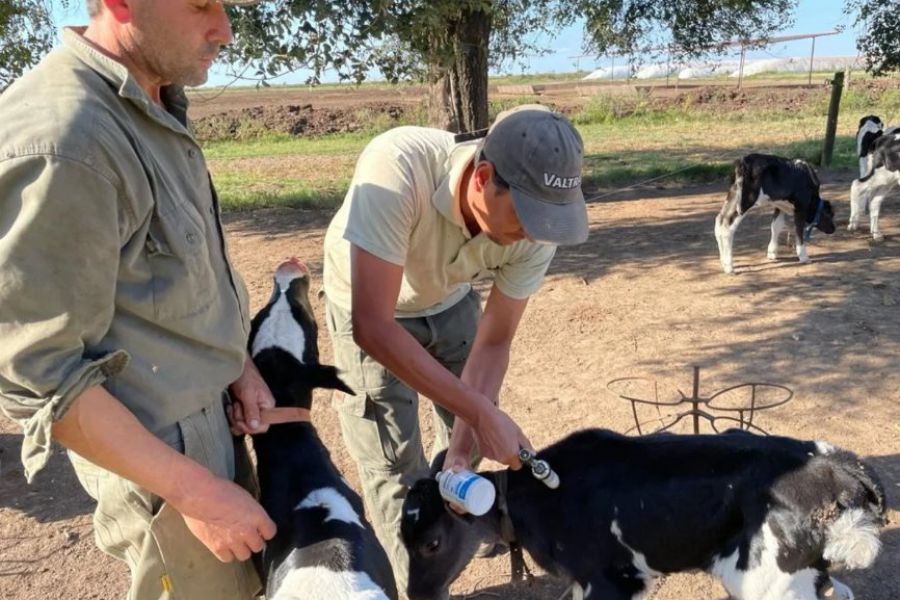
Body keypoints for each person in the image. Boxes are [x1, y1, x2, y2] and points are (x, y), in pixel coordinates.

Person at [0, 1, 277, 598]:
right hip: (160, 454)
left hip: (206, 425)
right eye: (202, 4)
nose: (225, 29)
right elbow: (39, 377)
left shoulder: (152, 97)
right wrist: (193, 493)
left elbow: (178, 277)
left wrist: (238, 364)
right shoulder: (66, 141)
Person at [321, 103, 588, 590]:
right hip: (370, 303)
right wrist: (482, 414)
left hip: (447, 296)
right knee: (394, 463)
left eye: (547, 221)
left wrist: (464, 447)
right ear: (483, 177)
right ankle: (415, 586)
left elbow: (495, 340)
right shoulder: (398, 169)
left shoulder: (535, 231)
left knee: (465, 439)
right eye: (527, 217)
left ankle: (457, 530)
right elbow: (373, 326)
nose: (533, 234)